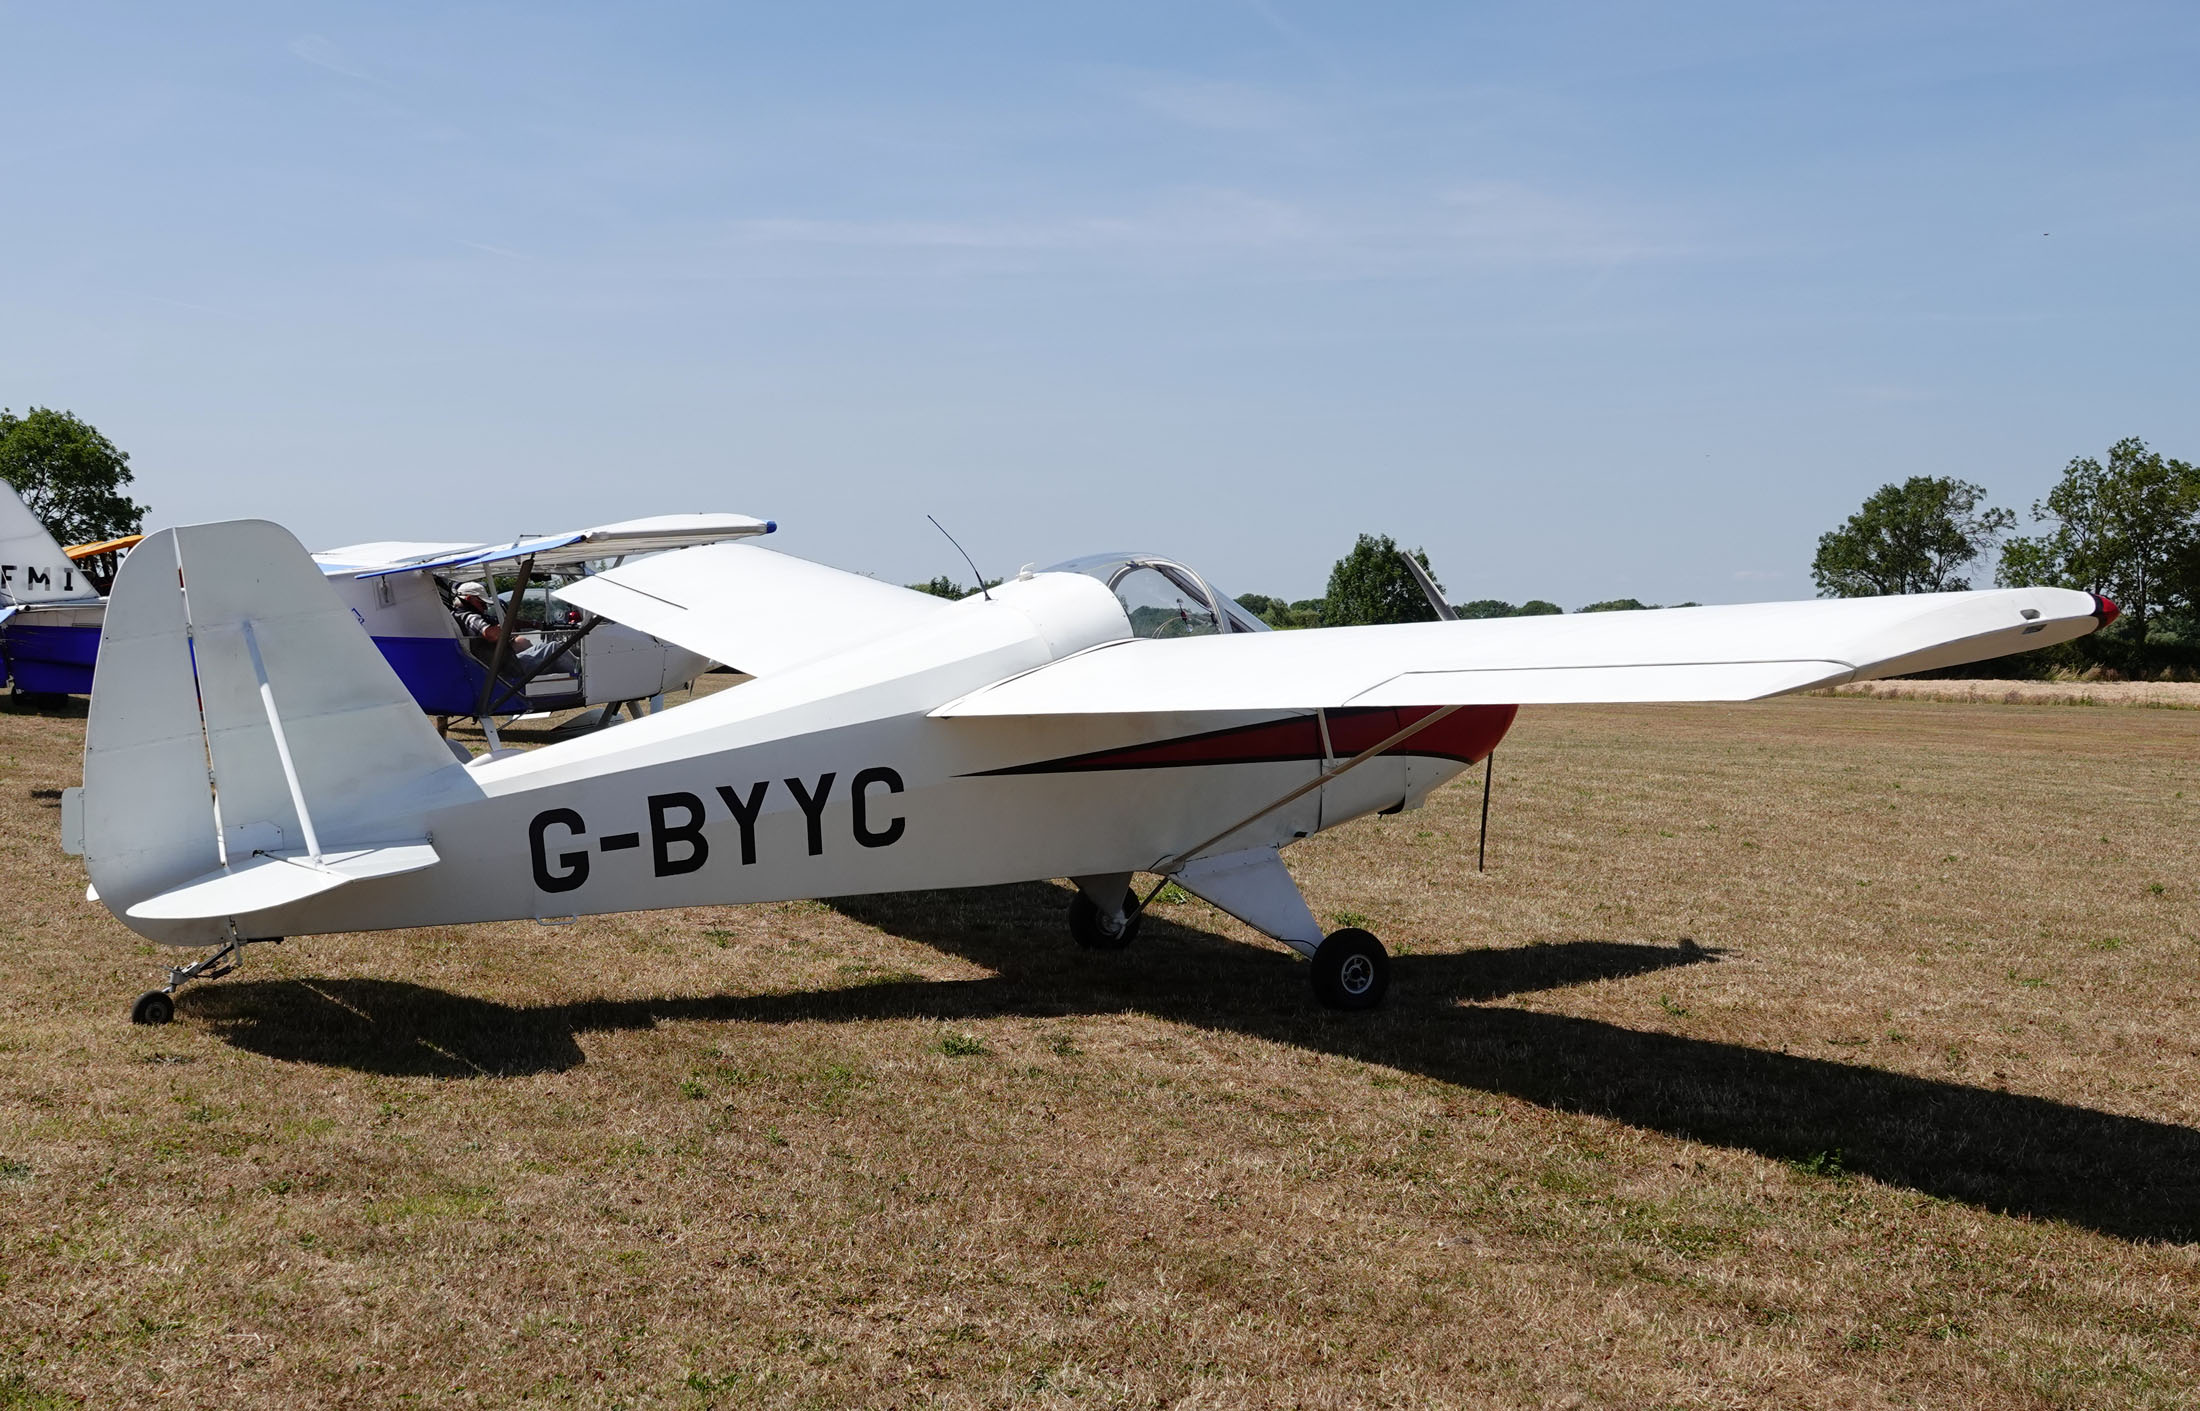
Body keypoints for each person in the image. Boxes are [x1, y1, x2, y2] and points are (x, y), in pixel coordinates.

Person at [450, 581, 561, 675]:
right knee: (554, 647)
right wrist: (505, 628)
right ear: (469, 599)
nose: (484, 608)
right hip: (504, 668)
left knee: (543, 646)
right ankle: (578, 688)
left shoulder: (459, 615)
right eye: (482, 604)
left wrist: (536, 624)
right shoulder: (470, 617)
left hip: (504, 661)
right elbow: (491, 635)